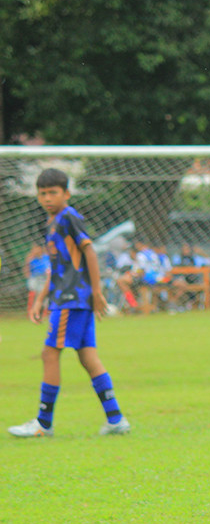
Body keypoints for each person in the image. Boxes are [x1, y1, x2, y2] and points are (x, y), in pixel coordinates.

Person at [8, 168, 130, 438]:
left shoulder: (69, 218)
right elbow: (56, 265)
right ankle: (116, 419)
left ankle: (43, 423)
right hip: (68, 298)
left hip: (72, 299)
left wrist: (97, 292)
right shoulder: (51, 224)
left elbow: (89, 251)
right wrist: (40, 298)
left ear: (66, 193)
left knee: (49, 353)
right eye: (42, 193)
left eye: (53, 192)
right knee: (88, 357)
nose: (47, 198)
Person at [23, 242, 51, 318]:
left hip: (45, 278)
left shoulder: (46, 257)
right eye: (33, 248)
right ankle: (31, 311)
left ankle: (44, 312)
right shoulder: (31, 259)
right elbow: (26, 271)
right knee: (34, 288)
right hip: (35, 278)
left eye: (36, 248)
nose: (35, 250)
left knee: (46, 292)